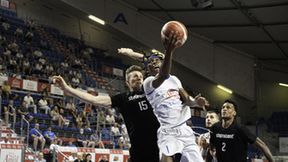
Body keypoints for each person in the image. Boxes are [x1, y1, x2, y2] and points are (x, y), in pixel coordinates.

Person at [52, 65, 160, 162]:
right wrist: (67, 88)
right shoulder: (123, 98)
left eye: (140, 76)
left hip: (161, 144)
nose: (139, 78)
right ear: (127, 82)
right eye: (135, 76)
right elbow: (95, 100)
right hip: (139, 149)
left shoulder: (152, 92)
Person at [142, 31, 206, 162]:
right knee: (166, 156)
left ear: (162, 63)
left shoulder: (175, 80)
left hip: (184, 128)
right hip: (167, 130)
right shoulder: (148, 82)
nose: (154, 62)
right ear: (147, 69)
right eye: (150, 62)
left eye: (157, 60)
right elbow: (164, 75)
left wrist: (196, 103)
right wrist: (169, 50)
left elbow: (187, 100)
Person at [209, 100, 274, 162]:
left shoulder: (240, 129)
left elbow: (262, 145)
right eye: (223, 107)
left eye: (228, 107)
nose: (224, 109)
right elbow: (211, 146)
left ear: (234, 113)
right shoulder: (215, 128)